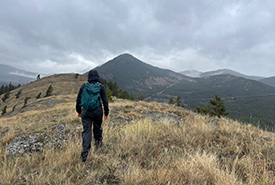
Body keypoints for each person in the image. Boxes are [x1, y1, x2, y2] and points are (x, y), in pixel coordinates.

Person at [76, 70, 109, 162]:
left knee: (87, 131)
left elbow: (78, 100)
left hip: (86, 111)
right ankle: (98, 144)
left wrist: (79, 111)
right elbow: (105, 101)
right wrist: (106, 113)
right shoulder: (101, 87)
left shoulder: (84, 86)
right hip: (98, 111)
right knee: (97, 127)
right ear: (97, 76)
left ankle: (85, 153)